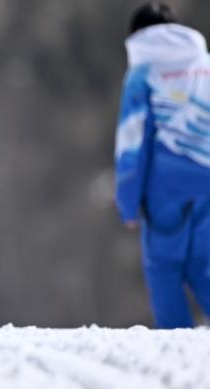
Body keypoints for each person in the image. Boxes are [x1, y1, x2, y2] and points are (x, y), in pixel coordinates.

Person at [115, 3, 210, 328]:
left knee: (164, 268)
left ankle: (174, 344)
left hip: (166, 188)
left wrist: (128, 203)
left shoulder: (142, 74)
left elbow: (133, 142)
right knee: (204, 266)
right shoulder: (206, 65)